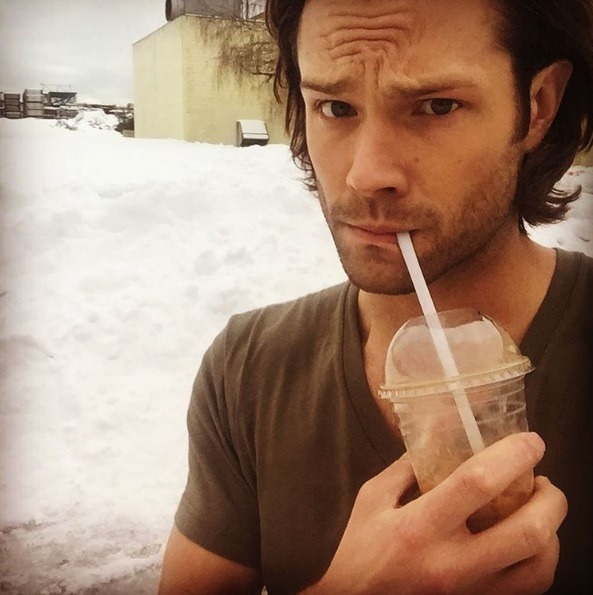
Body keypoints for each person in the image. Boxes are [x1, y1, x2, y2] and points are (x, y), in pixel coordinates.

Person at [159, 0, 593, 592]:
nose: (366, 174)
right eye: (335, 107)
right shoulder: (249, 368)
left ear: (539, 105)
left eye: (436, 106)